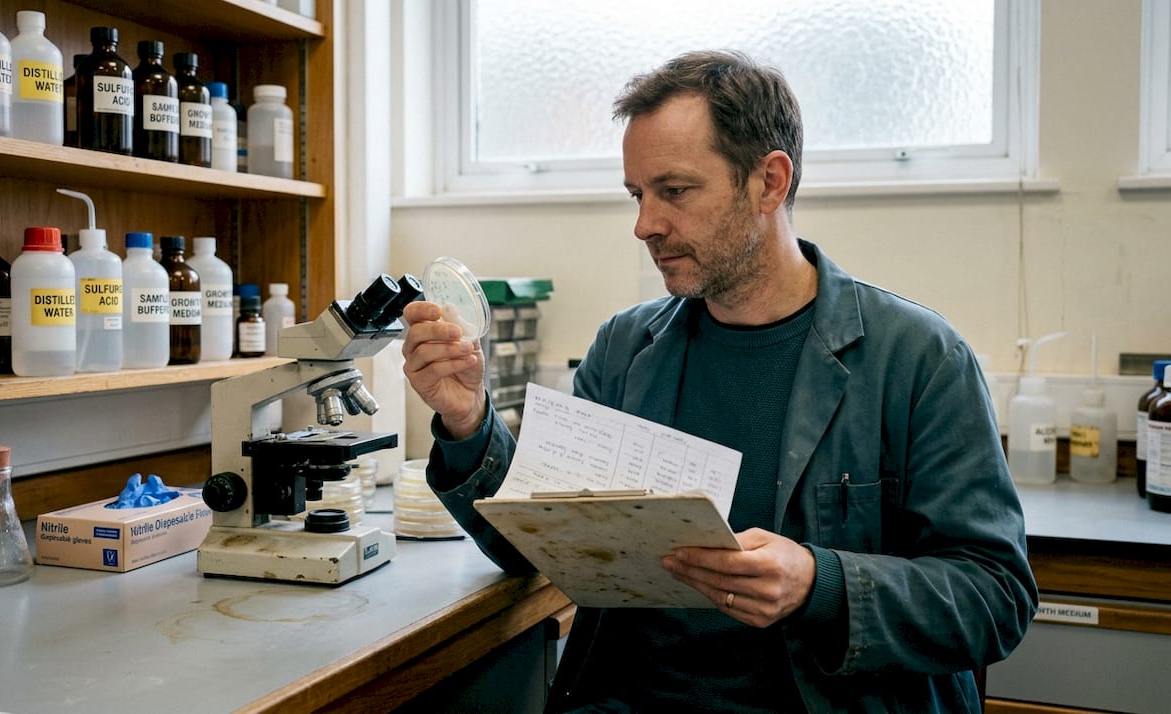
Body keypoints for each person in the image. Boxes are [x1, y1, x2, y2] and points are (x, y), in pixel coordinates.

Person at [400, 49, 1038, 713]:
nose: (645, 225)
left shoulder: (920, 359)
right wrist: (468, 420)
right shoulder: (625, 350)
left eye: (674, 191)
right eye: (637, 195)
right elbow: (539, 545)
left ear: (770, 183)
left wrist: (819, 584)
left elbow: (995, 597)